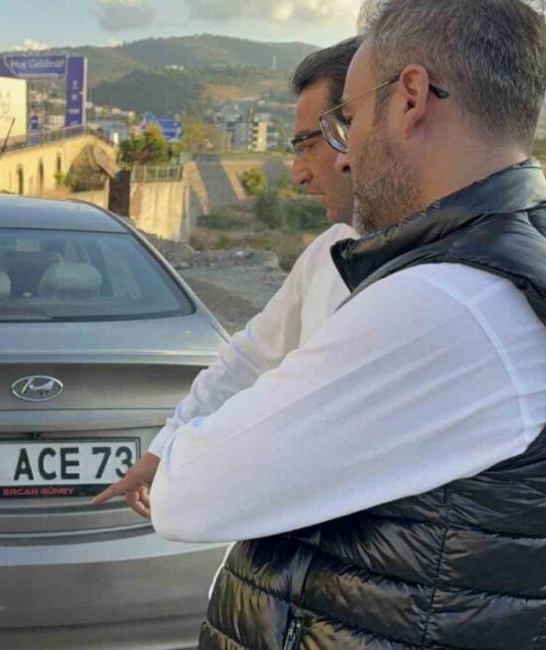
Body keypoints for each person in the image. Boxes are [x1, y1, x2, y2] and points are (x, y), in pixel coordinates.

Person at [148, 0, 546, 647]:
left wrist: (180, 447)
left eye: (349, 120)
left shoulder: (444, 303)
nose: (346, 154)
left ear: (412, 97)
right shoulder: (511, 261)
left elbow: (188, 495)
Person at [93, 36, 361, 520]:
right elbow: (251, 356)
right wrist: (162, 451)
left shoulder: (452, 281)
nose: (299, 175)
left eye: (307, 144)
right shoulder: (329, 249)